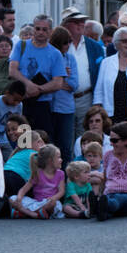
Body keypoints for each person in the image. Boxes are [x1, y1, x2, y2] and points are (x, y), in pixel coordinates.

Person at [8, 14, 65, 135]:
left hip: (42, 105)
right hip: (21, 101)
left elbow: (58, 83)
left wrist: (38, 89)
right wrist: (28, 84)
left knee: (41, 140)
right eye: (37, 28)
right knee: (22, 139)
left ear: (50, 31)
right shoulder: (21, 45)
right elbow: (12, 70)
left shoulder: (55, 54)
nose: (40, 32)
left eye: (44, 29)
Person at [61, 7, 105, 138]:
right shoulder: (57, 46)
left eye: (83, 21)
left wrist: (98, 102)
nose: (81, 24)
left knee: (85, 137)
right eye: (76, 21)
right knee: (65, 137)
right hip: (63, 97)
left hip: (86, 98)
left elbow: (100, 75)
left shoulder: (95, 47)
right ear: (65, 25)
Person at [48, 26, 78, 161]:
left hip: (65, 108)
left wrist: (59, 78)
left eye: (69, 42)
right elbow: (43, 79)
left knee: (65, 147)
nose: (68, 45)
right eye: (65, 42)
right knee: (49, 146)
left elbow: (74, 85)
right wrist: (60, 77)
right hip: (48, 106)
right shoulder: (48, 56)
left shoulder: (70, 59)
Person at [12, 144, 65, 218]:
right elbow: (24, 189)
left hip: (49, 202)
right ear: (50, 160)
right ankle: (35, 214)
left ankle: (25, 213)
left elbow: (61, 191)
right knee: (12, 198)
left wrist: (54, 198)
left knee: (53, 204)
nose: (61, 160)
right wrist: (19, 198)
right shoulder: (38, 173)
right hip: (36, 202)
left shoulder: (60, 174)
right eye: (59, 157)